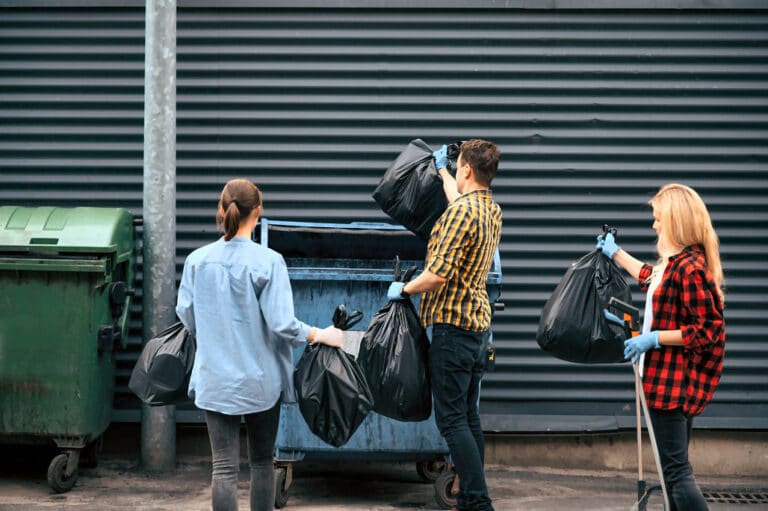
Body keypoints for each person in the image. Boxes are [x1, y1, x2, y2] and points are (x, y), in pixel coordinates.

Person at [175, 178, 343, 511]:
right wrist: (320, 334)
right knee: (263, 462)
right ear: (259, 211)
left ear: (222, 210)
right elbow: (282, 324)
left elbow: (187, 315)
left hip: (215, 379)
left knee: (222, 467)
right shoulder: (268, 262)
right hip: (260, 381)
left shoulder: (197, 260)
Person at [388, 139, 502, 511]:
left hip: (452, 328)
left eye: (456, 166)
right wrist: (439, 170)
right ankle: (472, 497)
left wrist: (403, 288)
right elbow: (459, 202)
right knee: (468, 417)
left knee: (452, 421)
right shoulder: (489, 209)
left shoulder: (460, 214)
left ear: (466, 169)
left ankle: (479, 502)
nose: (455, 171)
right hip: (477, 328)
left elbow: (437, 274)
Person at [597, 183, 725, 511]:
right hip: (663, 379)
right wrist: (615, 252)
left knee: (677, 474)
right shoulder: (675, 264)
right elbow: (649, 277)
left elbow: (706, 330)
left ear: (675, 221)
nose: (654, 225)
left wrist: (653, 338)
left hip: (672, 384)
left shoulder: (690, 269)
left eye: (658, 219)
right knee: (673, 475)